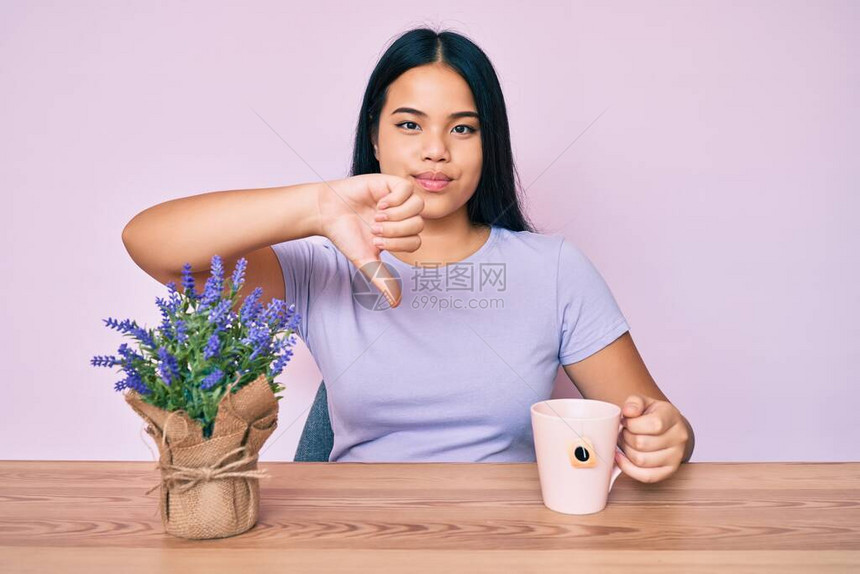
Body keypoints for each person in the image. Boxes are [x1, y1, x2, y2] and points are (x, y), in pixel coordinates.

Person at [122, 27, 694, 482]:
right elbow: (150, 243)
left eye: (463, 128)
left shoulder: (556, 270)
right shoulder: (324, 267)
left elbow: (659, 423)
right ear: (376, 137)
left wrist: (666, 437)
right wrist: (319, 206)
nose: (436, 150)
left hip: (510, 542)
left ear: (488, 143)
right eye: (409, 124)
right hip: (360, 540)